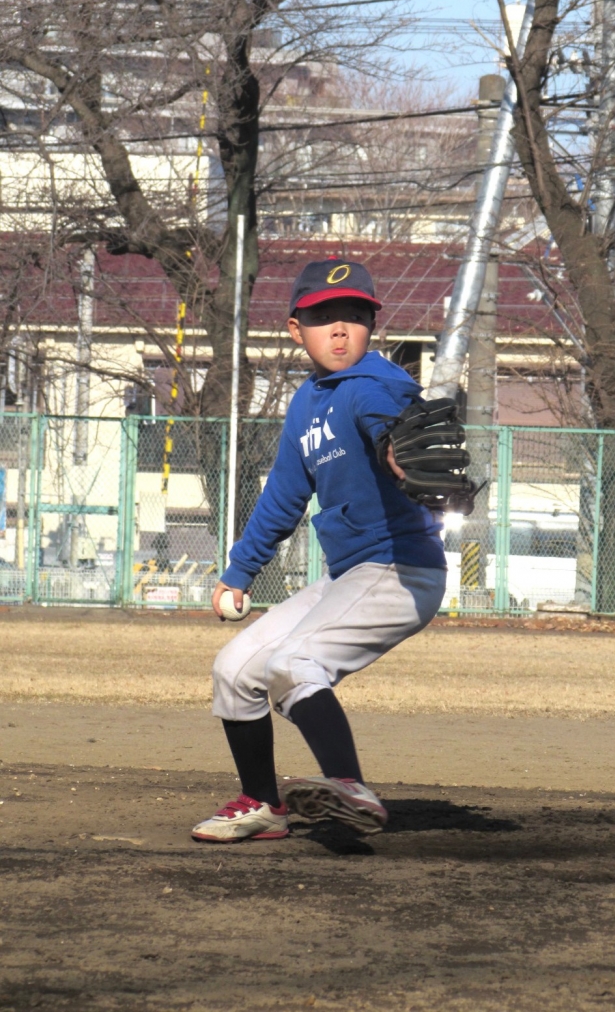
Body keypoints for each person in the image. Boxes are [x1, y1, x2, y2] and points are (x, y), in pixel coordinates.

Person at [191, 258, 447, 843]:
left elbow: (386, 422)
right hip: (351, 575)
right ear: (295, 329)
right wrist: (240, 570)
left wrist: (394, 448)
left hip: (401, 568)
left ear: (371, 326)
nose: (339, 330)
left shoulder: (376, 386)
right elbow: (284, 494)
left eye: (354, 316)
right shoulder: (307, 403)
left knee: (295, 662)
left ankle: (349, 787)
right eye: (322, 317)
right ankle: (263, 804)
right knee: (235, 669)